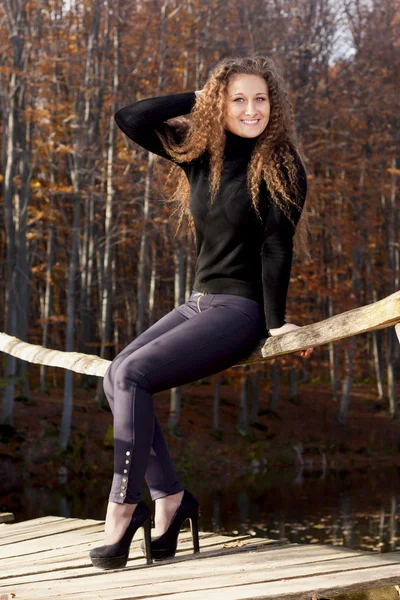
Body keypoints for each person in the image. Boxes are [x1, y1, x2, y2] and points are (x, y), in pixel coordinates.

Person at [89, 55, 314, 570]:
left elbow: (277, 247)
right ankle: (169, 497)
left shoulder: (281, 163)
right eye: (239, 99)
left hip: (240, 309)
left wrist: (276, 322)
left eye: (261, 99)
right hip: (197, 302)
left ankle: (123, 510)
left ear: (273, 105)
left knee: (134, 373)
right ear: (222, 103)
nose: (252, 109)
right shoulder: (200, 153)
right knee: (113, 376)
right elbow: (131, 117)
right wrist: (205, 99)